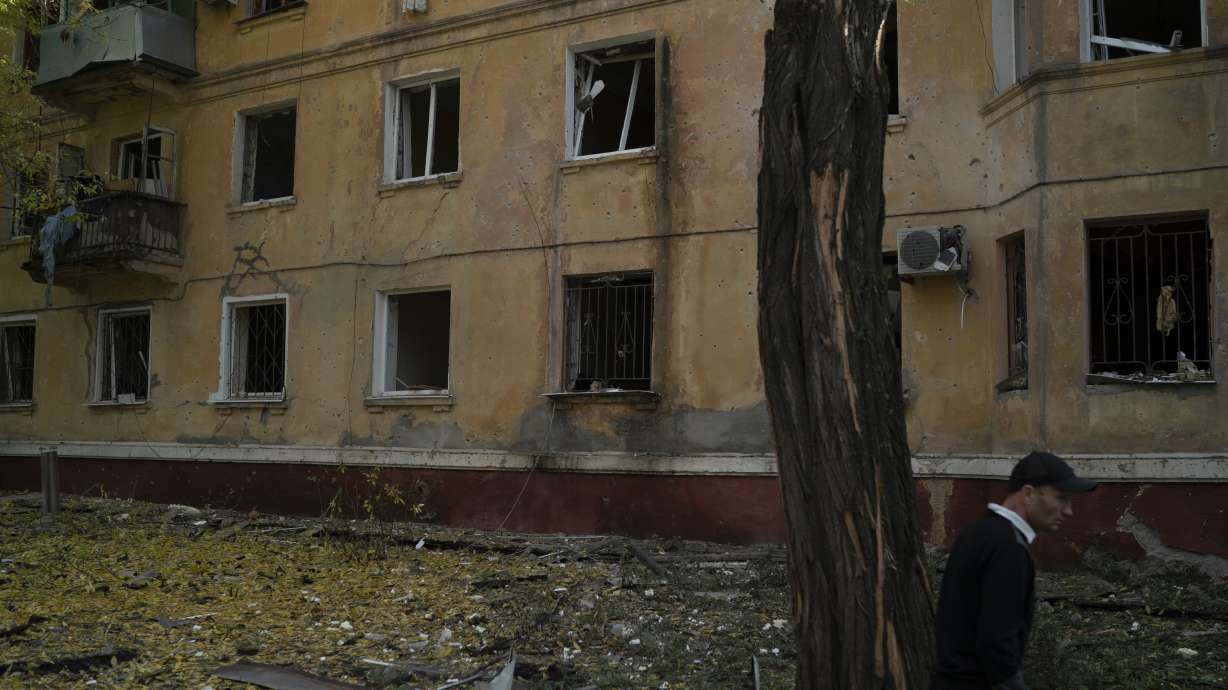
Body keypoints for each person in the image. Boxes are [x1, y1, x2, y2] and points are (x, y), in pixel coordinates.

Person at [930, 451, 1098, 690]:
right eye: (1061, 498)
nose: (1068, 510)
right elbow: (996, 645)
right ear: (1028, 494)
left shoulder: (977, 532)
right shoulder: (1009, 548)